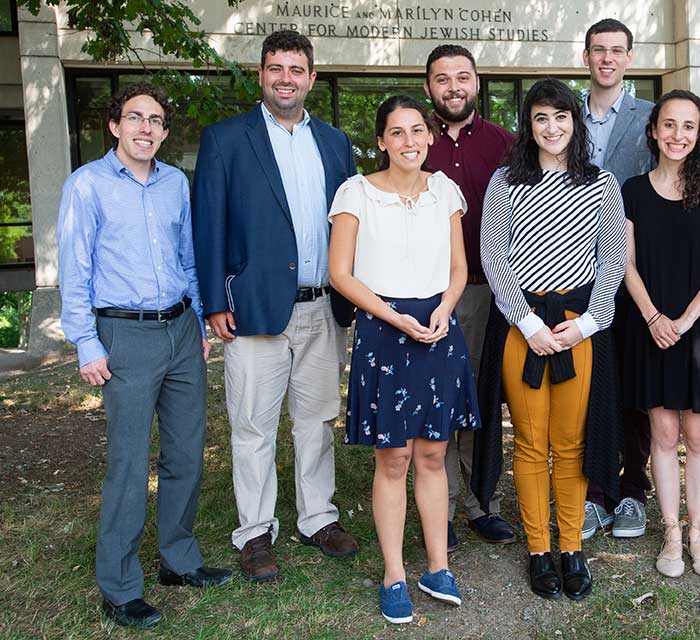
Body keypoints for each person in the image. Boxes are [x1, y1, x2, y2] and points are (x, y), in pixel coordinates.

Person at [57, 83, 231, 628]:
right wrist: (86, 341)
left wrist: (200, 318)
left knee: (185, 453)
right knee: (130, 463)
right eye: (135, 118)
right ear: (114, 126)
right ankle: (120, 583)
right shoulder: (87, 186)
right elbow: (74, 269)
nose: (146, 129)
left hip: (180, 329)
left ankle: (178, 561)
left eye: (156, 120)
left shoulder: (175, 183)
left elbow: (188, 256)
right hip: (123, 335)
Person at [192, 30, 358, 582]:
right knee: (253, 424)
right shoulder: (225, 139)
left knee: (316, 421)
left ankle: (317, 518)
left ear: (312, 77)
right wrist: (213, 299)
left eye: (296, 69)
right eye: (275, 68)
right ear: (261, 74)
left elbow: (351, 228)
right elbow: (209, 224)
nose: (285, 78)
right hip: (253, 310)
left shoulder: (336, 144)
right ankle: (256, 531)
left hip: (322, 307)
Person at [328, 95, 479, 624]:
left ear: (429, 136)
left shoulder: (445, 191)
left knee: (434, 454)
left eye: (418, 130)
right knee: (393, 457)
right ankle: (394, 572)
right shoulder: (356, 193)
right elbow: (340, 274)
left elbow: (461, 267)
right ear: (381, 141)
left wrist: (445, 308)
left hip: (439, 327)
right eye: (397, 132)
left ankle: (438, 566)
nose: (410, 140)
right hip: (383, 329)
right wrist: (394, 318)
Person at [475, 79, 626, 601]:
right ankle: (539, 549)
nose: (552, 127)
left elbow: (612, 261)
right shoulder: (505, 182)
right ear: (529, 125)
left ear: (574, 122)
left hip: (578, 328)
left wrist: (585, 324)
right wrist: (529, 324)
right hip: (526, 330)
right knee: (530, 443)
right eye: (541, 118)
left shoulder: (603, 183)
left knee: (571, 443)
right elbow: (494, 259)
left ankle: (572, 549)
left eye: (561, 116)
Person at [620, 90, 700, 579]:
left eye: (688, 127)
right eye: (669, 125)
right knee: (663, 433)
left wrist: (686, 321)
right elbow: (624, 262)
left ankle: (697, 534)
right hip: (651, 326)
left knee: (698, 434)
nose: (678, 135)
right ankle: (671, 533)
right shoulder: (630, 190)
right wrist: (653, 318)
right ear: (653, 130)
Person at [422, 44, 517, 550]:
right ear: (428, 87)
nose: (453, 86)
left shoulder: (508, 144)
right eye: (442, 78)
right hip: (425, 296)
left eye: (463, 76)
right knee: (436, 402)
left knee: (481, 401)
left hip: (488, 292)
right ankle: (442, 504)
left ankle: (483, 504)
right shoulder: (414, 142)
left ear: (477, 83)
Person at [579, 17, 656, 542]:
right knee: (587, 385)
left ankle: (632, 489)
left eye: (617, 51)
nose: (607, 58)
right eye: (598, 50)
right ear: (585, 56)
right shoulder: (562, 117)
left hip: (635, 270)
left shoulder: (652, 119)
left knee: (633, 384)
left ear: (629, 58)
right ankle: (593, 491)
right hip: (572, 271)